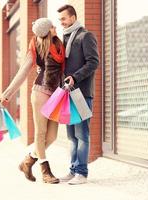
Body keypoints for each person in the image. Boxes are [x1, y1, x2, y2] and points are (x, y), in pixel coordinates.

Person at [0, 18, 65, 184]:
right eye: (52, 26)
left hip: (56, 93)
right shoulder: (36, 46)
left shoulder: (59, 44)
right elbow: (23, 72)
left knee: (52, 136)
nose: (55, 27)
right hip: (40, 91)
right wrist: (7, 93)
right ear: (47, 30)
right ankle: (46, 172)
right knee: (40, 133)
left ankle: (27, 162)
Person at [57, 4, 99, 185]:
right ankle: (73, 170)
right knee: (71, 136)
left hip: (82, 94)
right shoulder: (64, 39)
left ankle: (82, 173)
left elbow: (93, 62)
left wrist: (75, 77)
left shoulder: (85, 36)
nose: (62, 23)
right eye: (60, 20)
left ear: (73, 18)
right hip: (68, 95)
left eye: (64, 19)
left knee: (82, 135)